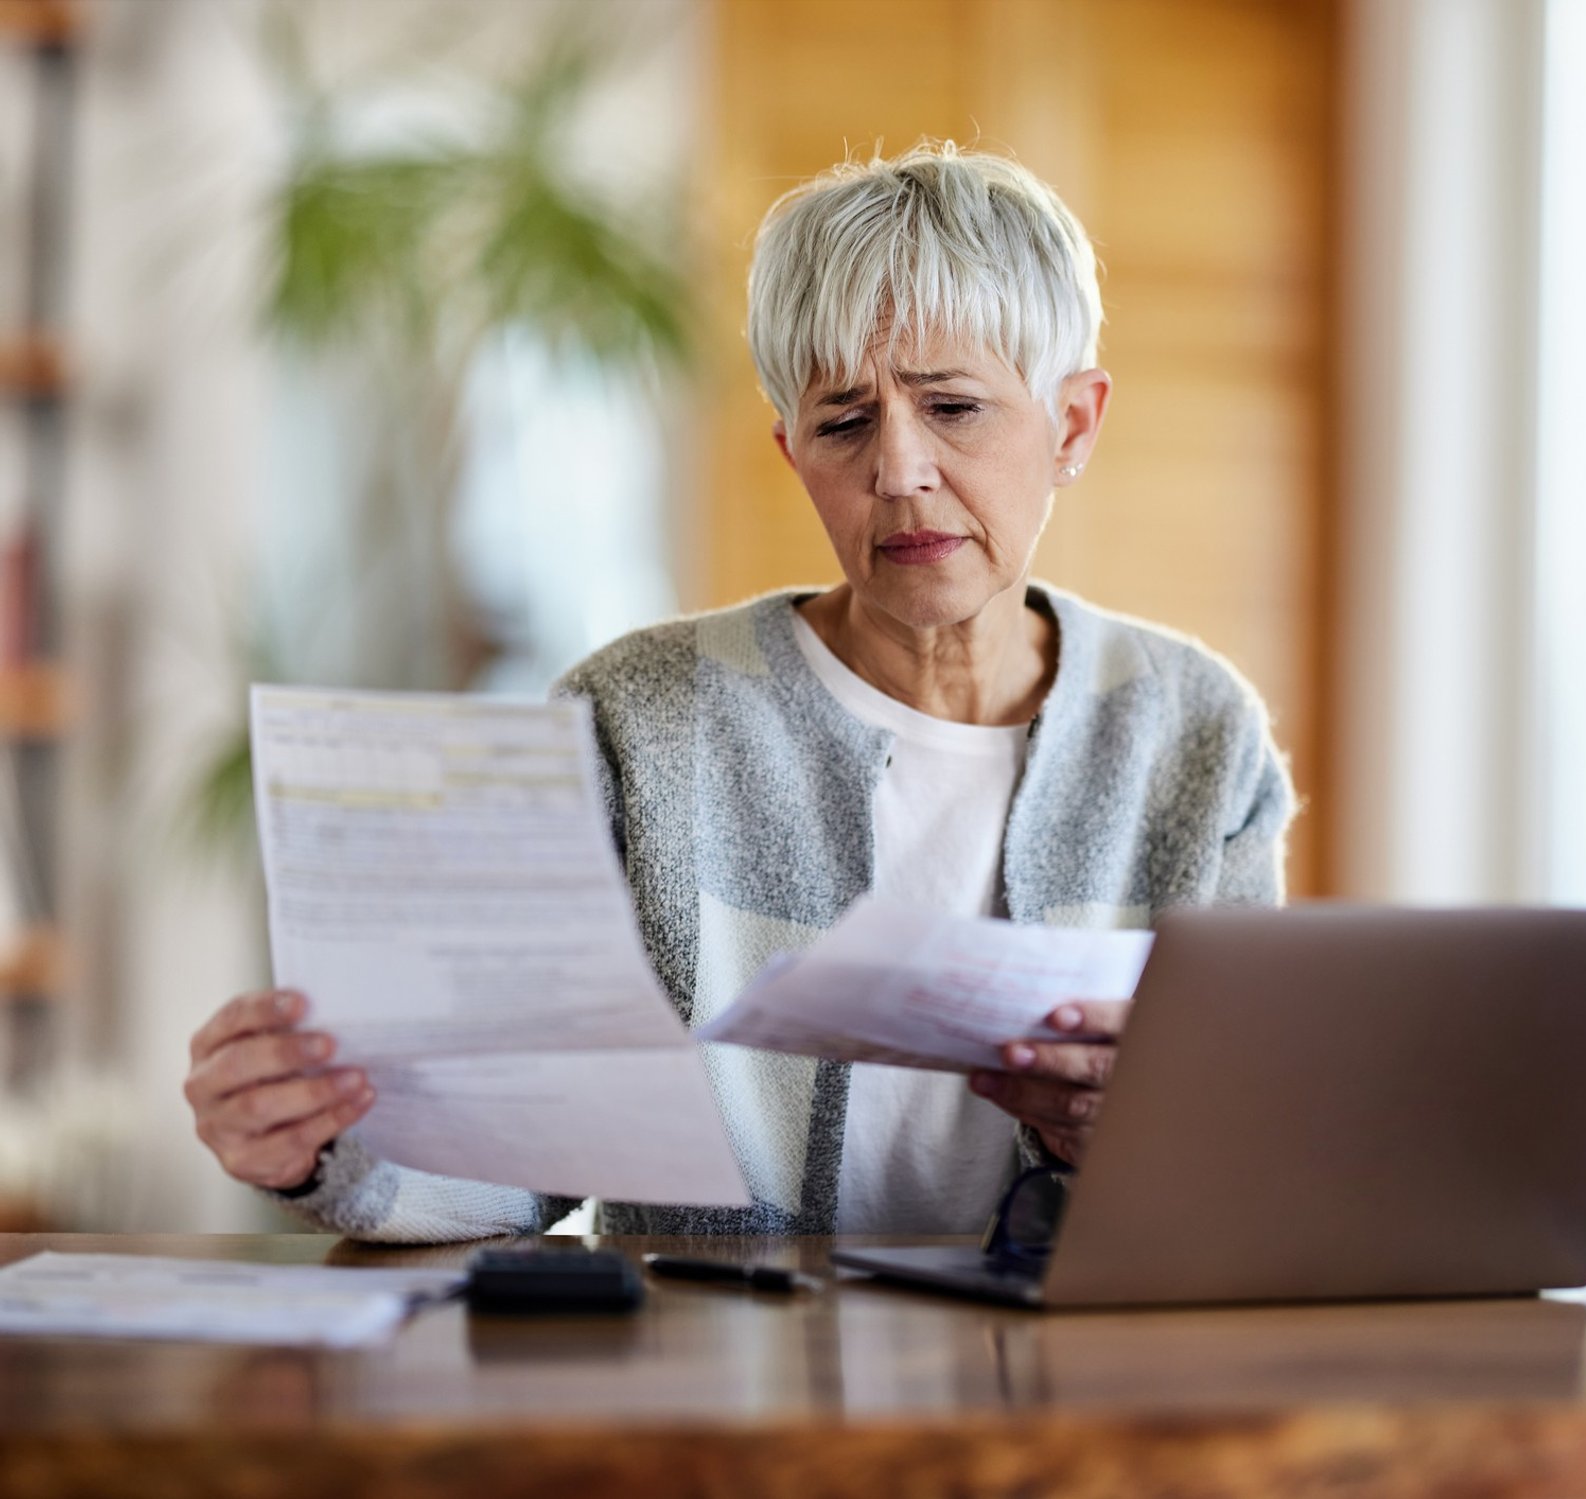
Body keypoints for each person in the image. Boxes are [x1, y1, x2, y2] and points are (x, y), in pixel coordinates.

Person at [183, 142, 1296, 1242]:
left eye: (951, 407)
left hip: (1066, 1378)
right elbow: (516, 1159)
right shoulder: (638, 717)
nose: (898, 470)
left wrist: (1135, 1138)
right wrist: (324, 1147)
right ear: (790, 449)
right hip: (719, 1374)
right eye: (844, 421)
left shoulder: (1193, 733)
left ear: (1072, 424)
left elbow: (1246, 1164)